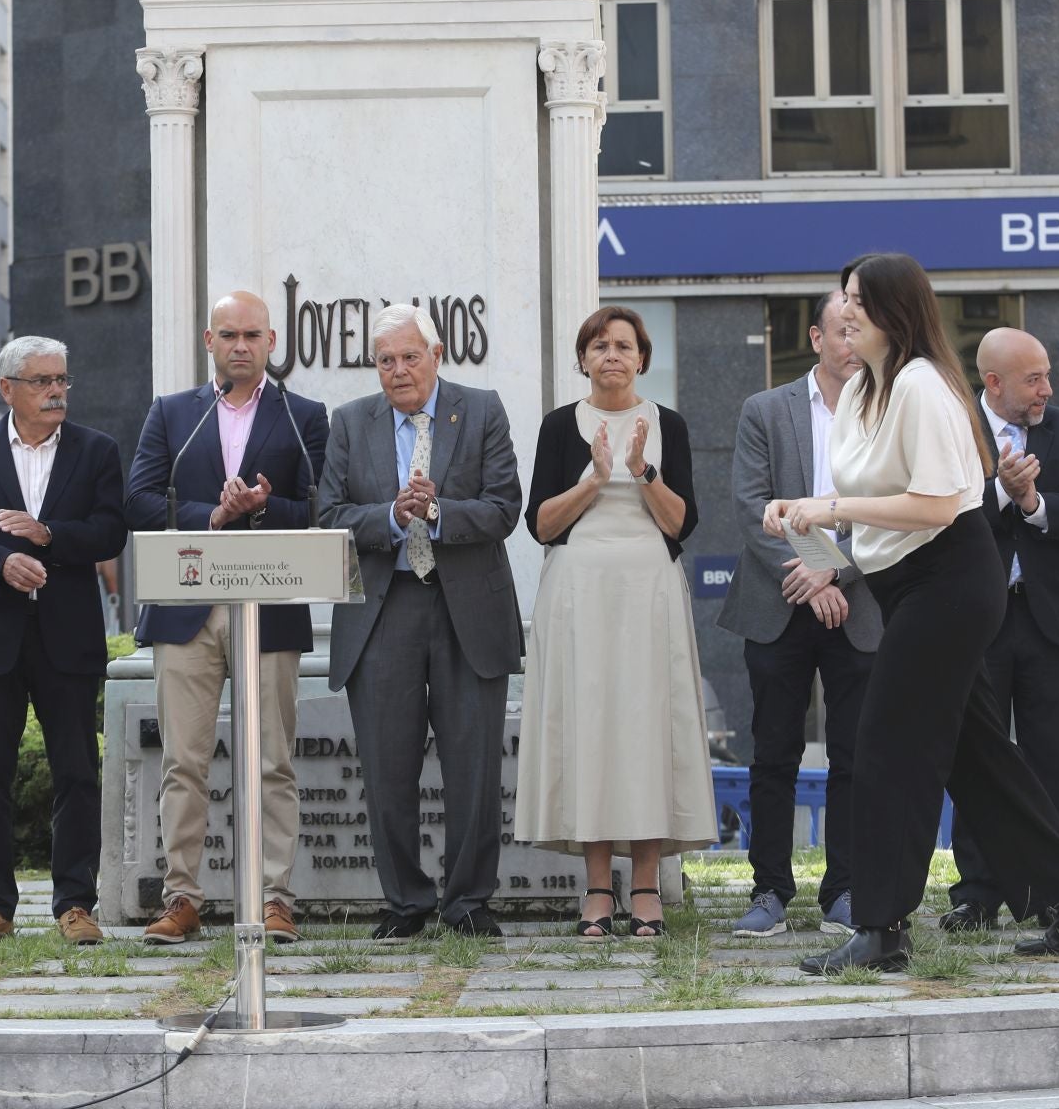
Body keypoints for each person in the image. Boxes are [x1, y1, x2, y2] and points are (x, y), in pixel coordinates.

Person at [766, 254, 1059, 975]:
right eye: (844, 301)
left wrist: (828, 507)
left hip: (949, 583)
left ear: (894, 311)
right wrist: (815, 537)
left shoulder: (923, 386)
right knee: (979, 756)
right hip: (910, 584)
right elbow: (880, 517)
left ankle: (882, 928)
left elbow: (932, 504)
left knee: (889, 749)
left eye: (860, 301)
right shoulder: (866, 389)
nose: (847, 311)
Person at [127, 291, 328, 946]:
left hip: (268, 608)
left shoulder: (304, 417)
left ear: (271, 342)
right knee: (183, 763)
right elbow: (140, 497)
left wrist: (263, 508)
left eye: (252, 335)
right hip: (185, 610)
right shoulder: (172, 414)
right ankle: (182, 897)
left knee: (274, 763)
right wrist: (210, 517)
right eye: (228, 335)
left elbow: (324, 506)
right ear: (207, 340)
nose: (240, 346)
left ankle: (276, 899)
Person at [316, 304, 523, 940]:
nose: (399, 370)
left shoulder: (481, 408)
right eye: (386, 360)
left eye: (410, 357)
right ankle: (404, 903)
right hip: (385, 607)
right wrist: (389, 516)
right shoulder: (351, 422)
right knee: (385, 765)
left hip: (466, 607)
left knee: (474, 763)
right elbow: (328, 515)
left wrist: (435, 514)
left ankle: (466, 901)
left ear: (436, 356)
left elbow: (504, 506)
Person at [520, 306, 717, 939]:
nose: (611, 355)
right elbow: (541, 525)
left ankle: (647, 887)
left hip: (647, 591)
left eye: (624, 346)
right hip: (579, 591)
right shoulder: (559, 427)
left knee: (646, 730)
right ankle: (598, 889)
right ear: (582, 358)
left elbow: (681, 523)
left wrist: (640, 470)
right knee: (592, 732)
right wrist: (595, 479)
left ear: (642, 359)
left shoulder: (669, 425)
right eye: (599, 345)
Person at [0, 336, 128, 947]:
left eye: (62, 380)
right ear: (8, 389)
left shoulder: (97, 451)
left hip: (68, 638)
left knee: (76, 772)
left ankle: (75, 903)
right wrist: (1, 564)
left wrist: (46, 536)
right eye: (42, 381)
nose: (55, 392)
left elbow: (109, 531)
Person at [718, 291, 873, 940]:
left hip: (857, 601)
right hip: (779, 598)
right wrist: (814, 577)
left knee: (855, 755)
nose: (853, 341)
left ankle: (844, 891)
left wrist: (834, 572)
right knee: (773, 752)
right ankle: (770, 893)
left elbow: (894, 511)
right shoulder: (766, 409)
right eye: (843, 329)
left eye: (863, 330)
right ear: (814, 337)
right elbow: (756, 505)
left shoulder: (886, 417)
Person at [941, 327, 1059, 932]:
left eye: (1047, 376)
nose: (1046, 389)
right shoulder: (955, 427)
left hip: (1049, 622)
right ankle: (977, 894)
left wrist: (1034, 503)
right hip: (977, 622)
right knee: (980, 758)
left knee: (1050, 760)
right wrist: (1002, 497)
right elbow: (941, 509)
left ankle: (1056, 893)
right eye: (1033, 379)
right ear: (994, 383)